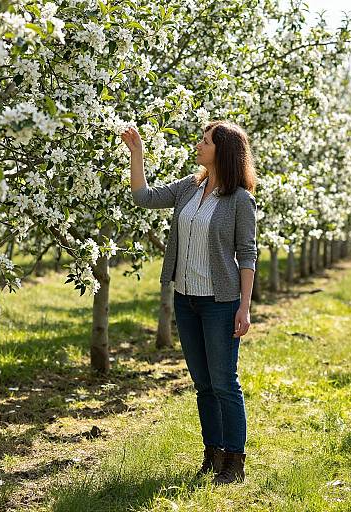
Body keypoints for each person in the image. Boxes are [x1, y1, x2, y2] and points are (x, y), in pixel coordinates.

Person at [121, 120, 257, 485]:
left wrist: (244, 307)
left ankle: (234, 462)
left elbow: (247, 255)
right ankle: (212, 455)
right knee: (203, 384)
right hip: (186, 299)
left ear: (223, 151)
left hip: (220, 302)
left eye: (206, 141)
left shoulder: (240, 200)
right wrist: (138, 155)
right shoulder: (188, 187)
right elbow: (143, 198)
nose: (199, 145)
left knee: (224, 382)